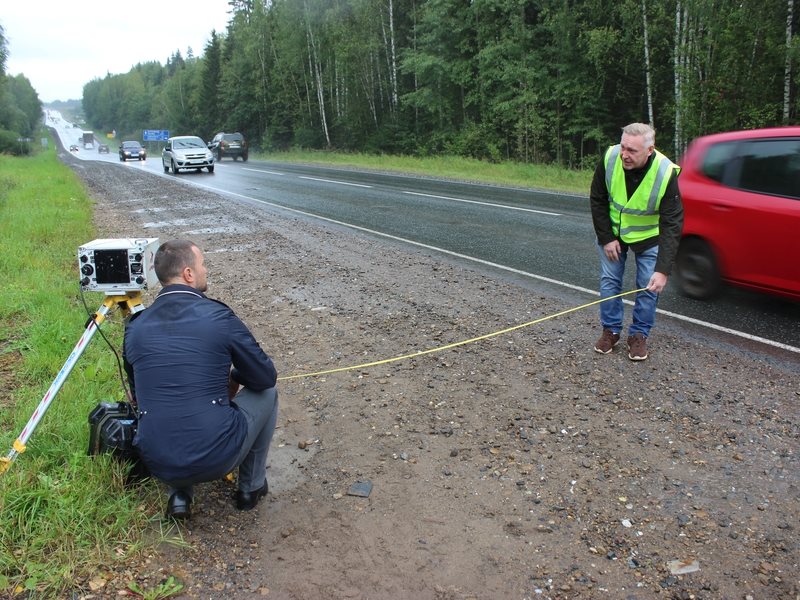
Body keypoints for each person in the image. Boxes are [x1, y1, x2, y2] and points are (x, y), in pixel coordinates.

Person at [123, 240, 278, 519]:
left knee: (161, 399)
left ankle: (179, 495)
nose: (206, 270)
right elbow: (264, 377)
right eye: (202, 264)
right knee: (268, 393)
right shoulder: (218, 316)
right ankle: (250, 488)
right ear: (188, 274)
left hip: (157, 460)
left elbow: (138, 394)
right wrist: (233, 375)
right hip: (217, 456)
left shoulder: (135, 327)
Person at [590, 123, 683, 361]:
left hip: (648, 236)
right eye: (623, 147)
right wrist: (606, 238)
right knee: (610, 282)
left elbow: (672, 223)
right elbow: (598, 198)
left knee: (647, 286)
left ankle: (639, 335)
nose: (624, 154)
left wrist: (663, 270)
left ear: (649, 150)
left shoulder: (665, 173)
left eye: (632, 150)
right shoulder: (610, 158)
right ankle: (610, 331)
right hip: (613, 232)